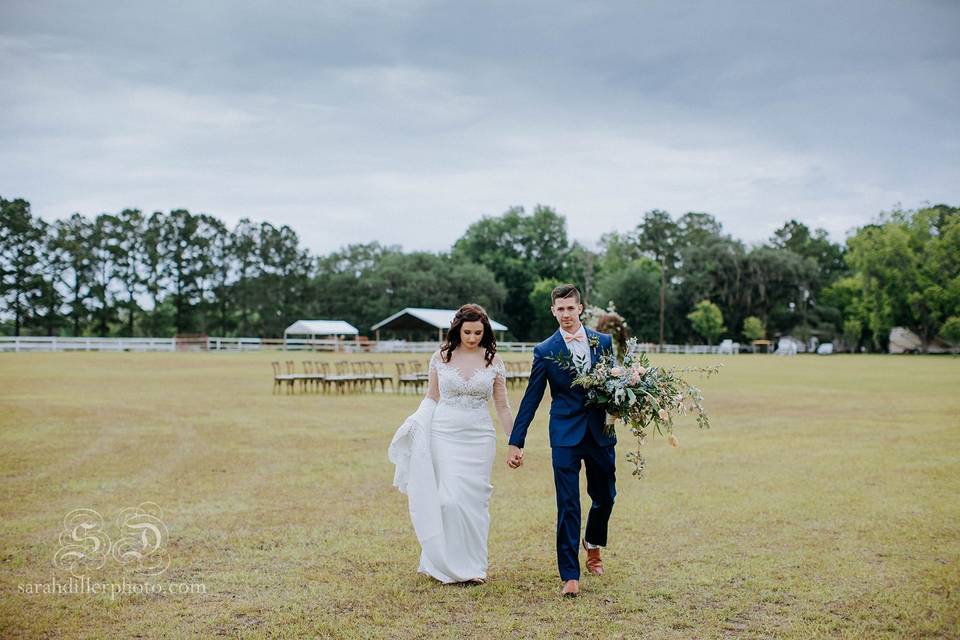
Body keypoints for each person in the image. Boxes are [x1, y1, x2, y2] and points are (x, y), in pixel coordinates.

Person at [388, 303, 514, 584]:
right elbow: (432, 397)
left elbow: (503, 406)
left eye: (478, 333)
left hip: (480, 438)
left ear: (485, 332)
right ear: (458, 329)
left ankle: (474, 567)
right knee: (448, 500)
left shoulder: (493, 360)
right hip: (444, 435)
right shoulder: (441, 357)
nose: (472, 338)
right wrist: (416, 421)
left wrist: (514, 441)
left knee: (474, 503)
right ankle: (442, 561)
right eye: (467, 332)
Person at [506, 284, 616, 597]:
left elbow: (613, 383)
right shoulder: (545, 350)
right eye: (560, 309)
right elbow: (531, 399)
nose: (566, 314)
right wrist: (517, 441)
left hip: (601, 433)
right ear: (553, 311)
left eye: (571, 308)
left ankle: (592, 542)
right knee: (568, 504)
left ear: (580, 308)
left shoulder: (602, 342)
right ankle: (570, 574)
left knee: (605, 495)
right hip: (565, 435)